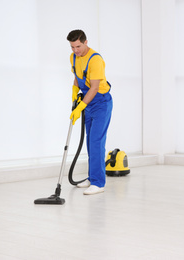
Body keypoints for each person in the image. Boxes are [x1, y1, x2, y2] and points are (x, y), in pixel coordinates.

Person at [67, 29, 113, 195]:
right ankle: (92, 177)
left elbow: (94, 87)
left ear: (86, 42)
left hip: (100, 102)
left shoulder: (95, 60)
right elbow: (77, 77)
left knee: (96, 142)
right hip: (88, 101)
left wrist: (80, 107)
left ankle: (99, 183)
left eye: (78, 46)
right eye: (72, 47)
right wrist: (74, 90)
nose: (75, 50)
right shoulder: (73, 57)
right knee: (89, 142)